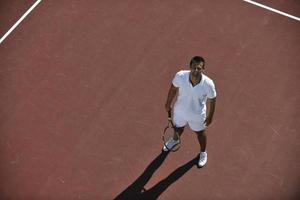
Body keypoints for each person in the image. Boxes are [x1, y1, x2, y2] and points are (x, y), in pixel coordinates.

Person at [163, 56, 217, 168]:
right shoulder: (181, 76)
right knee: (178, 128)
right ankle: (175, 140)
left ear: (203, 69)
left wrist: (210, 116)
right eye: (194, 68)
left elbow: (212, 99)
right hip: (180, 111)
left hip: (197, 115)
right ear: (190, 67)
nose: (196, 71)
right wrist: (168, 102)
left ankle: (203, 152)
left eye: (199, 68)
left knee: (200, 134)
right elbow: (173, 88)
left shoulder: (208, 84)